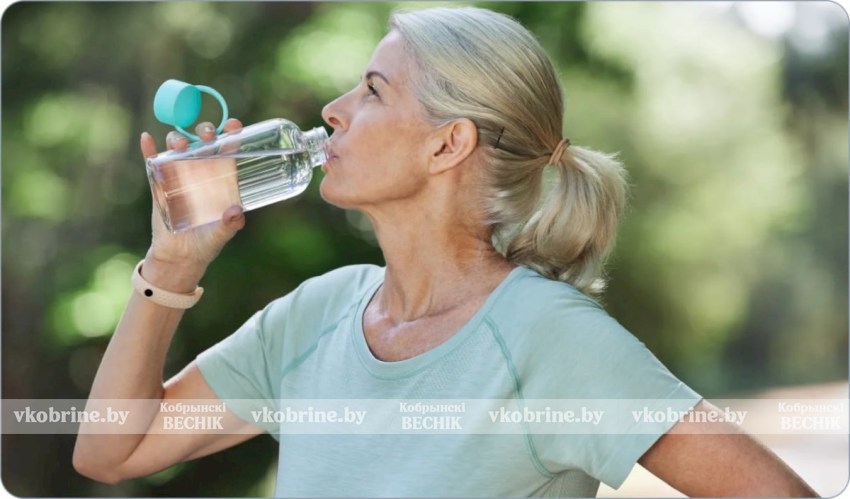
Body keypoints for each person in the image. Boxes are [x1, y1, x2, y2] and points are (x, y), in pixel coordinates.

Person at [74, 6, 818, 498]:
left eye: (372, 90)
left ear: (447, 143)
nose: (332, 111)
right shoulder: (317, 316)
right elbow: (110, 453)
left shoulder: (546, 338)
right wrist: (170, 267)